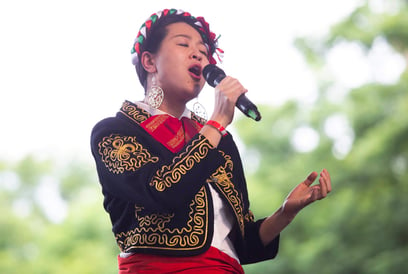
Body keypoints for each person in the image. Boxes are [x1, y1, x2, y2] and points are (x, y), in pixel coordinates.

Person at [90, 8, 332, 274]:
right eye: (183, 44)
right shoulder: (115, 132)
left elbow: (245, 244)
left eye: (204, 53)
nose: (198, 55)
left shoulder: (221, 142)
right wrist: (216, 122)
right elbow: (162, 191)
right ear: (149, 61)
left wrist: (285, 213)